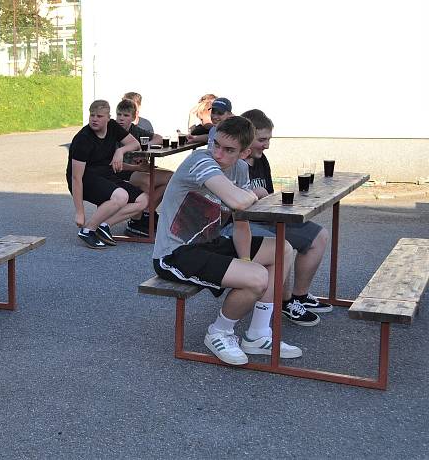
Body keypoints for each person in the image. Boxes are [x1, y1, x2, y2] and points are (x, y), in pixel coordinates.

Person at [152, 116, 302, 365]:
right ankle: (219, 332)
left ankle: (258, 334)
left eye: (228, 149)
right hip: (176, 253)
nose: (218, 153)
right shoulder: (201, 160)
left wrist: (244, 260)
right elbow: (239, 201)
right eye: (216, 145)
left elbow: (241, 222)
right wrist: (255, 193)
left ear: (244, 153)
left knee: (282, 249)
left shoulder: (240, 168)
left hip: (210, 243)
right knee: (257, 278)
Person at [220, 109, 332, 326]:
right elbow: (232, 209)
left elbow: (268, 197)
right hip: (237, 227)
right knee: (283, 246)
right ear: (247, 138)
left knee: (319, 235)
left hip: (268, 219)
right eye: (262, 139)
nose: (267, 145)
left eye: (269, 139)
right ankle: (285, 302)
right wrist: (256, 196)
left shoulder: (262, 160)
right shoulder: (231, 164)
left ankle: (299, 296)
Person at [67, 100, 148, 249]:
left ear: (108, 118)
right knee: (121, 196)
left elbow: (135, 143)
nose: (95, 119)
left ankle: (103, 226)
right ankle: (88, 230)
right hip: (86, 179)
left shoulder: (112, 126)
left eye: (99, 116)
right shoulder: (83, 139)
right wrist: (79, 212)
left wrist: (120, 151)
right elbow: (76, 177)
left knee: (143, 200)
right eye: (92, 115)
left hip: (106, 174)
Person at [114, 99, 172, 237]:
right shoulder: (112, 132)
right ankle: (136, 221)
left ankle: (147, 213)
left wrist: (143, 148)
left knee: (172, 177)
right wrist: (138, 167)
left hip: (137, 170)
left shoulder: (135, 130)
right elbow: (114, 164)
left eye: (126, 115)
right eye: (119, 115)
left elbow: (158, 138)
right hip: (121, 172)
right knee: (148, 181)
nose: (121, 118)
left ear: (134, 118)